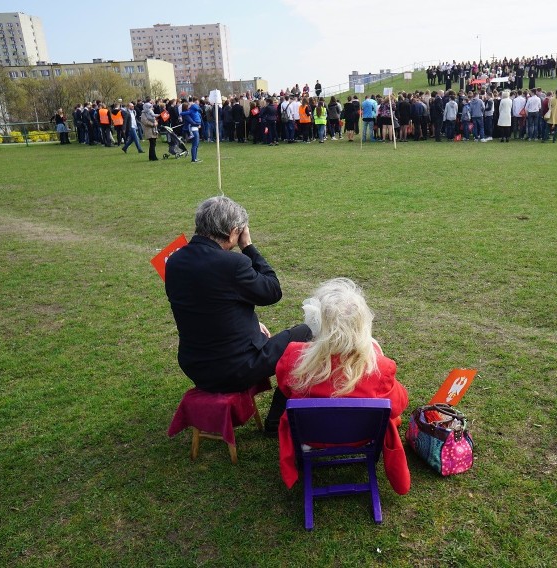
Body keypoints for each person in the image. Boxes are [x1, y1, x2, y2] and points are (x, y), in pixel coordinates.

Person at [165, 196, 313, 432]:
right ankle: (277, 419)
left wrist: (251, 324)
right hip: (233, 369)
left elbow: (208, 305)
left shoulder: (174, 261)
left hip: (195, 366)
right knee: (309, 331)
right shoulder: (232, 264)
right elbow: (272, 291)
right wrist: (248, 247)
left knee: (265, 331)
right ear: (234, 231)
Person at [275, 277, 410, 495]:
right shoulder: (380, 368)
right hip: (361, 438)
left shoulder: (294, 357)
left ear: (318, 322)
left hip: (311, 436)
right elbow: (398, 405)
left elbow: (284, 388)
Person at [181, 97, 202, 162]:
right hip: (193, 129)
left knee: (196, 144)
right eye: (188, 105)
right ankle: (193, 159)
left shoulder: (189, 112)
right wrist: (197, 124)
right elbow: (191, 122)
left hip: (194, 129)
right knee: (195, 144)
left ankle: (195, 158)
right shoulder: (187, 114)